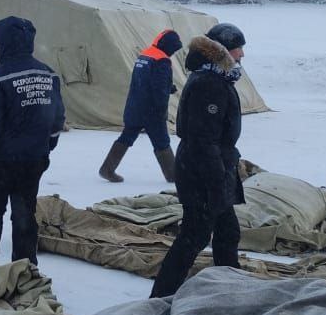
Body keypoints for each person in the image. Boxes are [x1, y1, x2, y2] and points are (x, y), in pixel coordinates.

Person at [149, 23, 247, 298]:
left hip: (214, 168)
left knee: (227, 232)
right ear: (223, 51)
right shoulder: (208, 85)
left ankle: (230, 290)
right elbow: (203, 139)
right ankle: (162, 295)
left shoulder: (215, 78)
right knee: (194, 236)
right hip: (202, 172)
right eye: (238, 48)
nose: (241, 55)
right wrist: (216, 183)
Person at [0, 17, 64, 277]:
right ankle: (25, 267)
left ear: (3, 45)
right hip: (33, 160)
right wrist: (47, 145)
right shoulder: (48, 74)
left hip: (0, 162)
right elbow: (56, 118)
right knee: (24, 213)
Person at [99, 29, 183, 182]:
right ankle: (173, 175)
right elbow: (158, 89)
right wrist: (161, 110)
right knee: (162, 142)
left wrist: (167, 87)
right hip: (152, 111)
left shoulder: (145, 55)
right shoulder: (162, 60)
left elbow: (144, 81)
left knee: (126, 137)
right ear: (169, 46)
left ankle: (107, 169)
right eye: (174, 49)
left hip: (135, 106)